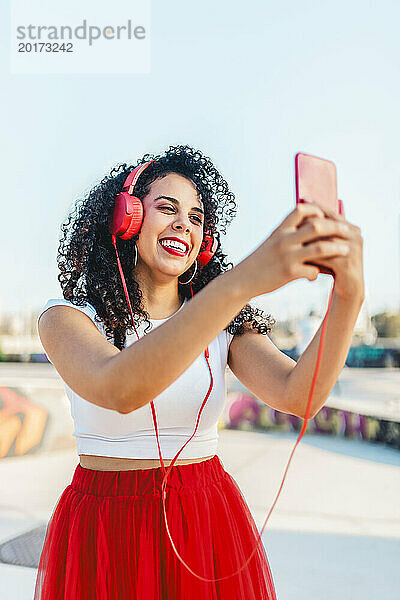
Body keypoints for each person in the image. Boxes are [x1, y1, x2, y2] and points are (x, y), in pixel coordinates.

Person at [34, 144, 357, 599]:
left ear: (204, 243)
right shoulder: (67, 317)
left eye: (197, 217)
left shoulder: (225, 321)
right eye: (166, 207)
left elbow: (299, 395)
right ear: (126, 218)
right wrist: (240, 281)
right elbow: (120, 386)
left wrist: (349, 299)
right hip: (103, 525)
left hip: (203, 516)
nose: (184, 223)